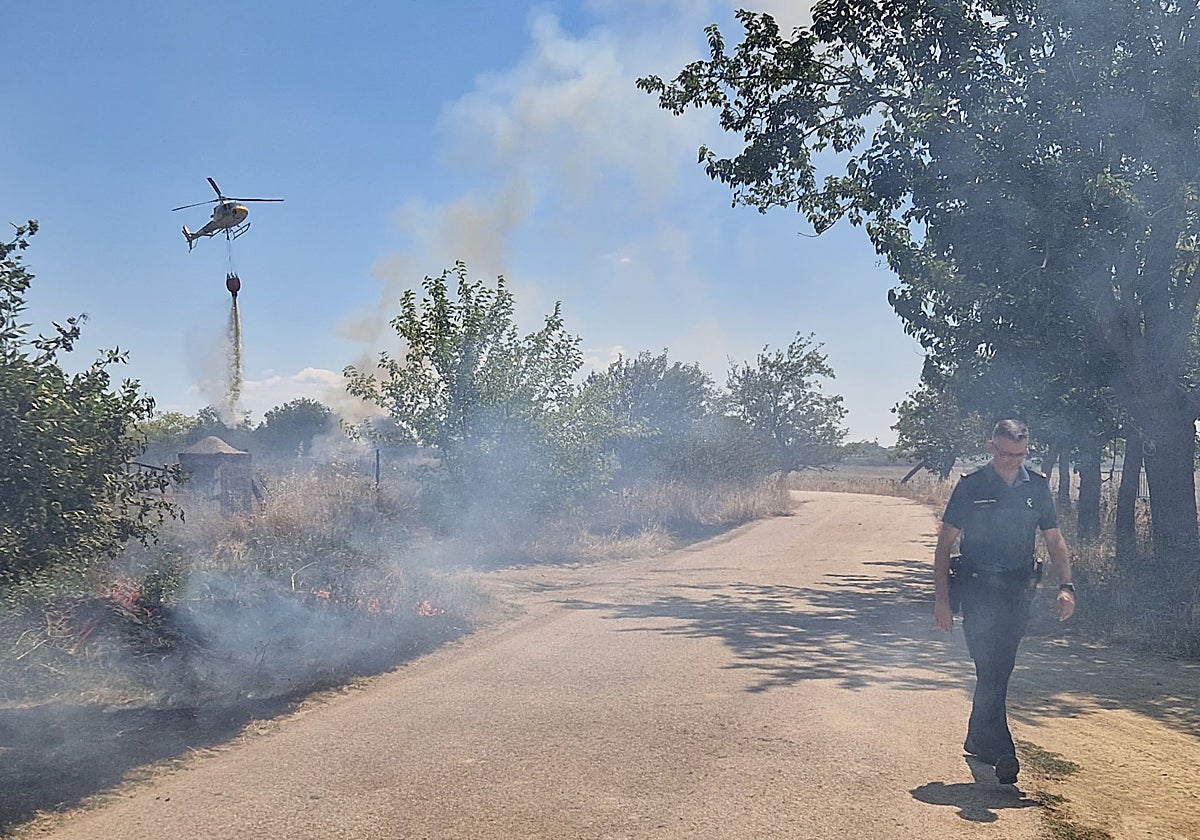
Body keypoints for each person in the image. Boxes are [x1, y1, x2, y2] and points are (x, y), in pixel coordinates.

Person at [932, 419, 1076, 785]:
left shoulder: (1037, 487)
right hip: (977, 589)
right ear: (992, 448)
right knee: (989, 664)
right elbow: (944, 546)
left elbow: (1054, 540)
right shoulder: (971, 486)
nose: (1013, 461)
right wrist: (942, 601)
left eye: (1020, 454)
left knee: (1000, 667)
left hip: (1017, 590)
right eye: (1006, 454)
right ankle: (1001, 749)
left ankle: (979, 738)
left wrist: (1066, 586)